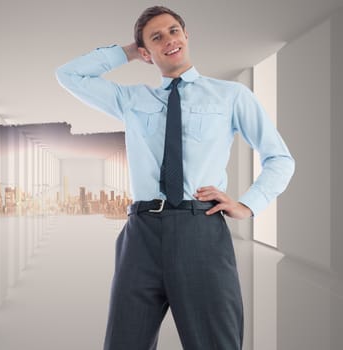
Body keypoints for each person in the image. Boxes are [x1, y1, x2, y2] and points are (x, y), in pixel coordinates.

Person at [56, 5, 294, 350]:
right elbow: (69, 75)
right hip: (141, 234)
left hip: (200, 232)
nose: (169, 40)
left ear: (185, 36)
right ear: (146, 53)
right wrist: (128, 51)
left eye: (173, 31)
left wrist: (248, 204)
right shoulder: (132, 99)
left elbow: (280, 158)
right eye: (156, 37)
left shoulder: (230, 95)